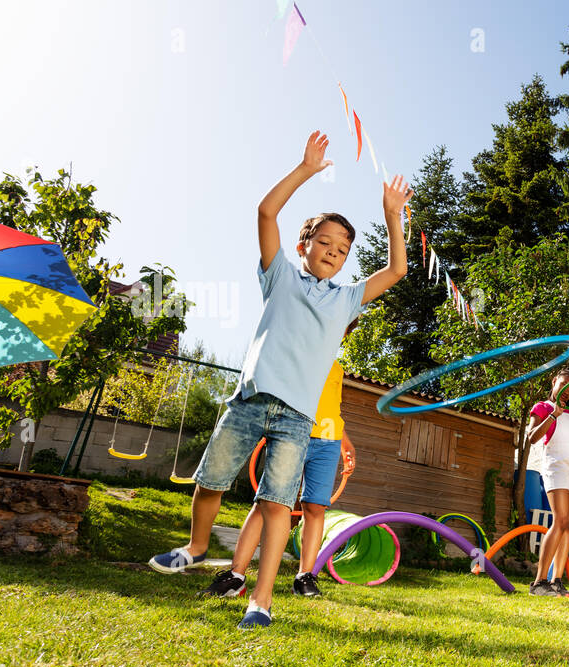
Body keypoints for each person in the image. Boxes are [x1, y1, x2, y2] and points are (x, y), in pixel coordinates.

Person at [148, 131, 409, 629]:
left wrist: (392, 215)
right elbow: (266, 213)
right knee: (209, 483)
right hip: (249, 400)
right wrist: (306, 169)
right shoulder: (280, 275)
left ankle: (261, 601)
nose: (334, 251)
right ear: (303, 245)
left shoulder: (348, 298)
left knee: (275, 508)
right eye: (325, 242)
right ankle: (198, 547)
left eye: (343, 247)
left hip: (296, 418)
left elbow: (397, 270)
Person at [200, 359, 356, 600]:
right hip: (293, 434)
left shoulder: (337, 368)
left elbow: (332, 408)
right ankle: (236, 576)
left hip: (328, 442)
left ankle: (305, 577)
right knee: (267, 502)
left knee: (315, 507)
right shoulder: (298, 353)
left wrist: (345, 443)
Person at [525, 371, 569, 597]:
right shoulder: (543, 407)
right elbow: (532, 437)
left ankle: (556, 581)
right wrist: (552, 416)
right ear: (554, 381)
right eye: (564, 384)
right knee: (559, 521)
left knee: (568, 524)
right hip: (556, 467)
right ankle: (539, 582)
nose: (568, 391)